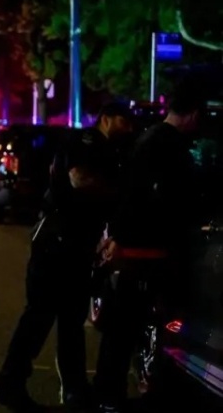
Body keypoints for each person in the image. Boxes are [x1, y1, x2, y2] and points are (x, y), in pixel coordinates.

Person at [0, 102, 135, 413]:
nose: (128, 127)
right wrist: (117, 191)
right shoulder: (84, 141)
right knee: (39, 316)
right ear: (106, 118)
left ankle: (74, 391)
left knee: (71, 322)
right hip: (56, 242)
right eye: (123, 120)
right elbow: (79, 178)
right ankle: (10, 383)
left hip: (79, 245)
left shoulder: (110, 150)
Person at [93, 76, 207, 413]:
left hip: (137, 250)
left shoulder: (148, 140)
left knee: (125, 328)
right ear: (194, 113)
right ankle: (110, 397)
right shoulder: (167, 146)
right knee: (127, 328)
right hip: (144, 253)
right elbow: (151, 198)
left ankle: (110, 394)